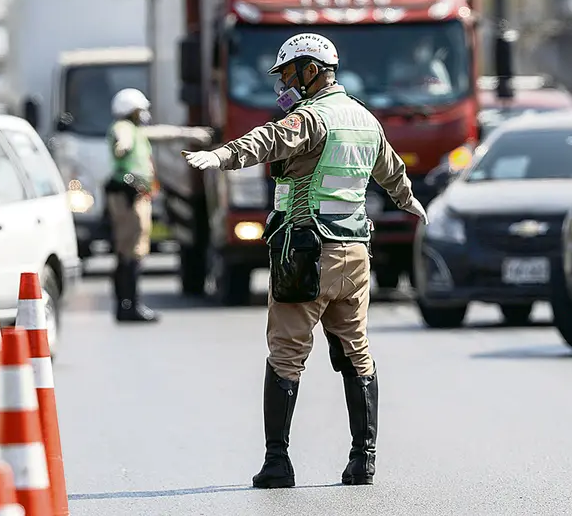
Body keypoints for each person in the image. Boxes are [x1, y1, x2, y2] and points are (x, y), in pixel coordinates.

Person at [182, 33, 428, 488]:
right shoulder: (365, 120)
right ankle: (363, 460)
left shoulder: (311, 118)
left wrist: (220, 156)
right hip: (355, 255)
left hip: (305, 253)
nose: (284, 84)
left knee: (286, 354)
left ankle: (278, 462)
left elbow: (268, 140)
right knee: (357, 352)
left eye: (289, 73)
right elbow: (392, 172)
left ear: (312, 70)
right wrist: (409, 201)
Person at [106, 88, 213, 322]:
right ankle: (129, 305)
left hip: (134, 195)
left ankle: (127, 304)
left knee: (132, 248)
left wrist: (191, 133)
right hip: (128, 196)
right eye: (140, 111)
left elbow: (162, 133)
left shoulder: (137, 131)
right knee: (132, 249)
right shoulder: (124, 129)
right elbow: (121, 139)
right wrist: (121, 147)